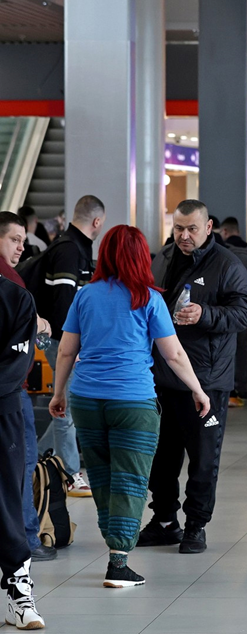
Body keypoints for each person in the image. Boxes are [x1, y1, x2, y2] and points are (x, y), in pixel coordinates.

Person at [50, 224, 210, 590]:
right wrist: (198, 390)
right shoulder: (148, 298)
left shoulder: (85, 296)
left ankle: (114, 546)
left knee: (104, 478)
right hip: (133, 401)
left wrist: (59, 393)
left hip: (87, 400)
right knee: (131, 479)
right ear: (141, 258)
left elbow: (65, 349)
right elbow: (173, 354)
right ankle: (118, 562)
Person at [139, 200, 247, 555]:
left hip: (205, 381)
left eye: (191, 229)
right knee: (162, 457)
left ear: (209, 227)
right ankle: (165, 521)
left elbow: (244, 313)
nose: (184, 236)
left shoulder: (227, 265)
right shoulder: (165, 258)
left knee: (203, 460)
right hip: (162, 376)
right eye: (178, 228)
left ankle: (196, 525)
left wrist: (205, 314)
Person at [27, 195, 106, 499]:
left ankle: (35, 456)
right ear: (96, 221)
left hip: (59, 337)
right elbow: (63, 303)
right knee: (67, 406)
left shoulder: (70, 245)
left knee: (66, 403)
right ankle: (71, 473)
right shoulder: (70, 250)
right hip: (59, 339)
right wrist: (71, 346)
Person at [0, 214, 56, 564]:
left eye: (23, 239)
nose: (22, 247)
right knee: (21, 461)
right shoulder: (9, 280)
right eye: (14, 239)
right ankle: (26, 537)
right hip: (9, 391)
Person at [0, 235, 43, 627]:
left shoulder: (16, 299)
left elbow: (17, 364)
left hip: (3, 412)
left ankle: (18, 591)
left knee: (7, 500)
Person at [219, 217, 247, 409]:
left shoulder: (225, 253)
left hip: (227, 309)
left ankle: (229, 389)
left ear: (225, 231)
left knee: (227, 350)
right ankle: (241, 387)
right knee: (242, 350)